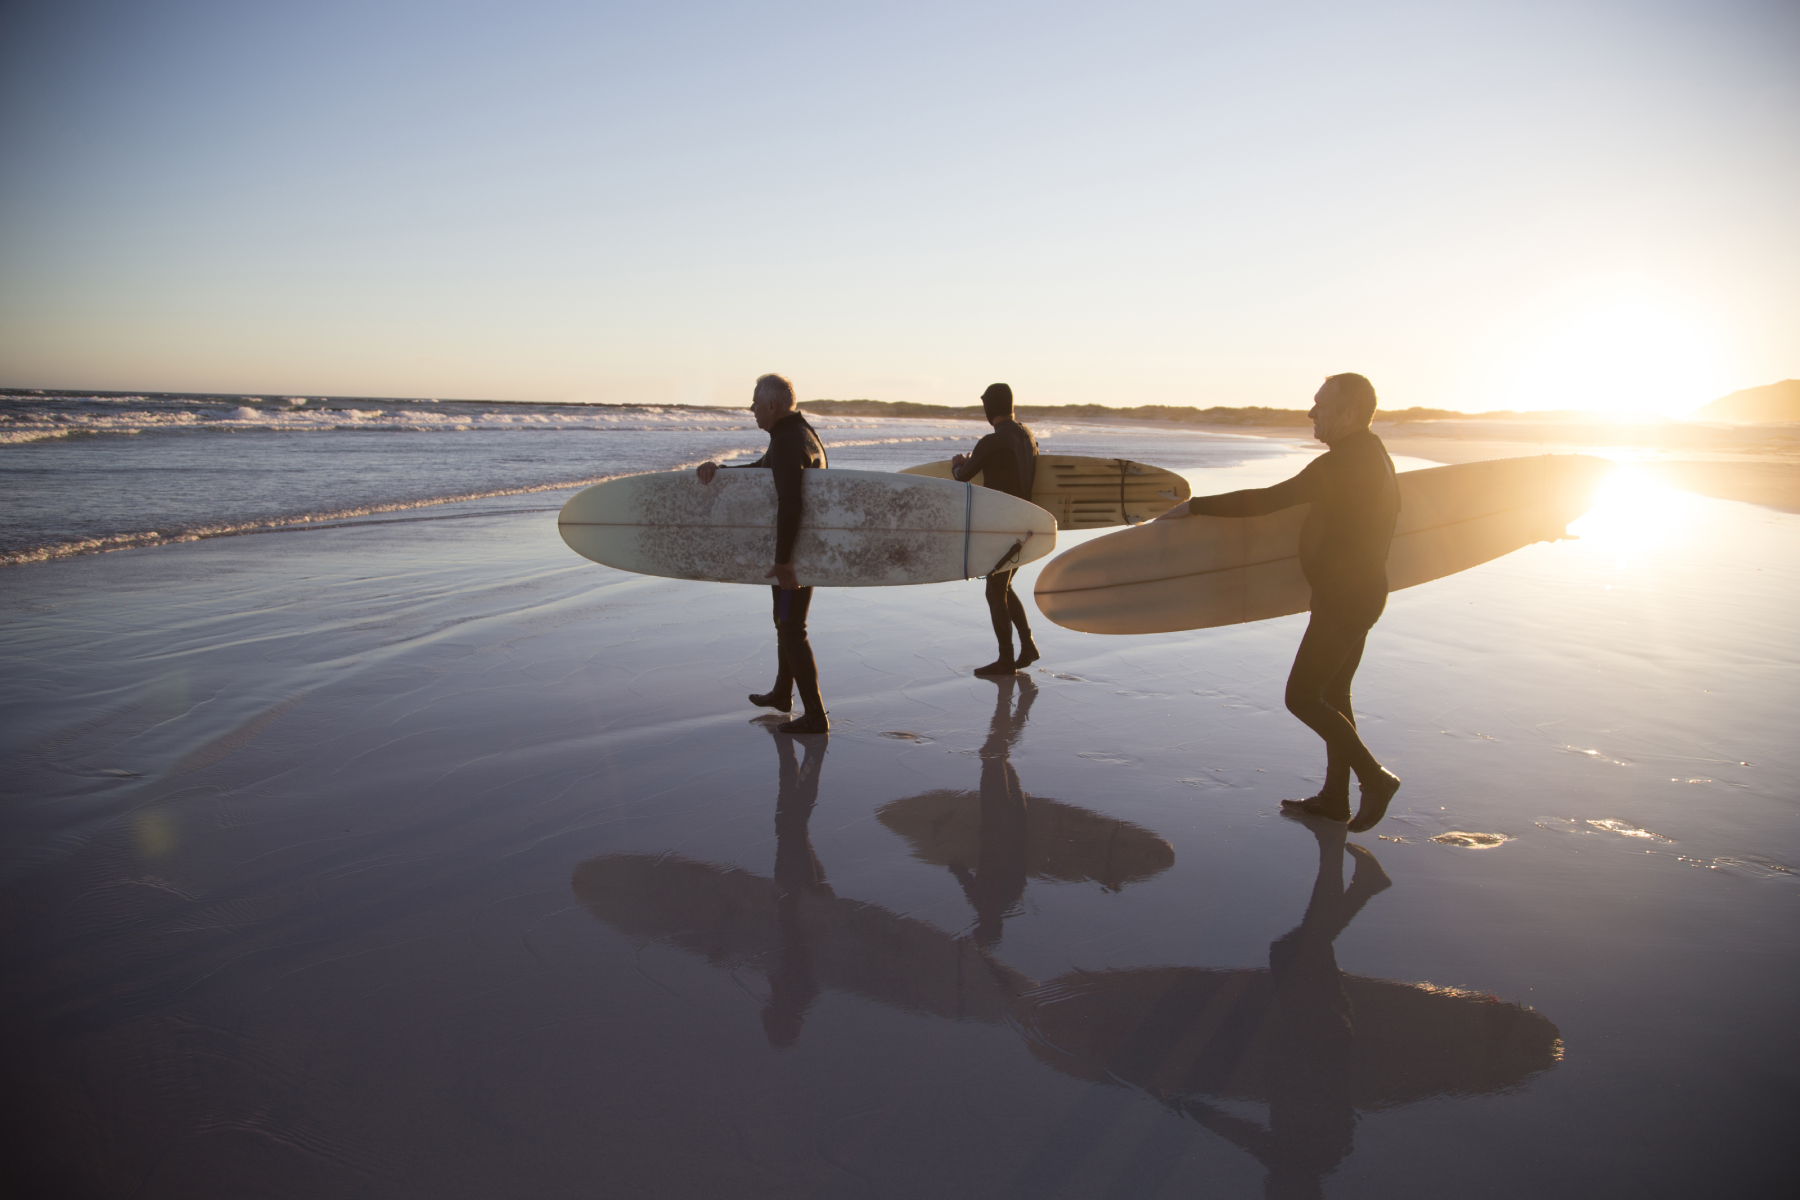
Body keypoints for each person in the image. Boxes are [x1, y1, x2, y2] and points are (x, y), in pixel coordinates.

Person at [1156, 373, 1402, 830]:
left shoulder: (1343, 464)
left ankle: (1375, 778)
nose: (1311, 413)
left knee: (1302, 698)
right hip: (1361, 593)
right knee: (1333, 694)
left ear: (1348, 413)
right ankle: (1334, 797)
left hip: (1346, 599)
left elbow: (1268, 500)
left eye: (1320, 405)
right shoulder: (1373, 453)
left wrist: (1194, 506)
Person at [696, 374, 830, 735]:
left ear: (771, 406)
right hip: (801, 549)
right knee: (785, 623)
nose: (751, 408)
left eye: (754, 402)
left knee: (791, 628)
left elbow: (790, 501)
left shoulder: (788, 442)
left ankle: (815, 716)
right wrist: (720, 473)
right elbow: (762, 472)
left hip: (794, 553)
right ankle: (783, 694)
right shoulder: (799, 434)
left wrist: (784, 561)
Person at [952, 383, 1042, 676]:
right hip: (1029, 522)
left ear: (989, 408)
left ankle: (1007, 660)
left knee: (995, 590)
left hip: (1003, 528)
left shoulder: (992, 442)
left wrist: (958, 465)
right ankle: (1027, 647)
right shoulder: (1028, 436)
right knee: (1002, 586)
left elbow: (963, 476)